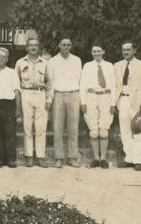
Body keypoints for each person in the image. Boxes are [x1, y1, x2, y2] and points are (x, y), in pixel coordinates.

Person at [114, 41, 141, 171]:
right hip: (122, 101)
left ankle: (137, 161)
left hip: (137, 103)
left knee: (137, 131)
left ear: (134, 51)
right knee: (124, 132)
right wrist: (115, 103)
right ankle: (129, 159)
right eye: (123, 50)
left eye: (128, 50)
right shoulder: (117, 66)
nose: (125, 52)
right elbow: (115, 86)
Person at [15, 38, 51, 168]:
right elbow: (16, 83)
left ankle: (40, 156)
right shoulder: (20, 63)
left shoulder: (45, 63)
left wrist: (49, 99)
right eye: (31, 45)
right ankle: (28, 156)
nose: (33, 47)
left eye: (36, 45)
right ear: (26, 48)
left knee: (41, 127)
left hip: (41, 94)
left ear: (39, 47)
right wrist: (18, 101)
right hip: (26, 93)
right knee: (27, 126)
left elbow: (49, 83)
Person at [47, 37, 82, 168]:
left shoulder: (77, 60)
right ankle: (59, 157)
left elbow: (79, 79)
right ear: (59, 46)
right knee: (57, 127)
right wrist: (50, 98)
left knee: (73, 128)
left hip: (74, 94)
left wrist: (80, 97)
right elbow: (50, 82)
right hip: (58, 95)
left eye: (68, 45)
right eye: (64, 45)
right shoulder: (52, 61)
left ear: (71, 46)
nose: (66, 47)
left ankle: (72, 157)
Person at [79, 45, 116, 169]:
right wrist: (83, 102)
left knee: (104, 128)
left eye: (99, 51)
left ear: (103, 52)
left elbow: (114, 85)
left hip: (106, 96)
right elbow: (83, 84)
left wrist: (113, 103)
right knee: (94, 129)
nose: (97, 53)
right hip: (91, 96)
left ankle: (103, 159)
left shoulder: (110, 66)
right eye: (94, 51)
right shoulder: (87, 66)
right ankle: (95, 158)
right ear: (91, 53)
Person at [0, 47, 20, 168]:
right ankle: (0, 159)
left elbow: (16, 91)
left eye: (3, 57)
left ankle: (11, 159)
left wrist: (17, 108)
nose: (1, 59)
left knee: (10, 132)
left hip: (8, 105)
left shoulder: (12, 72)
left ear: (7, 59)